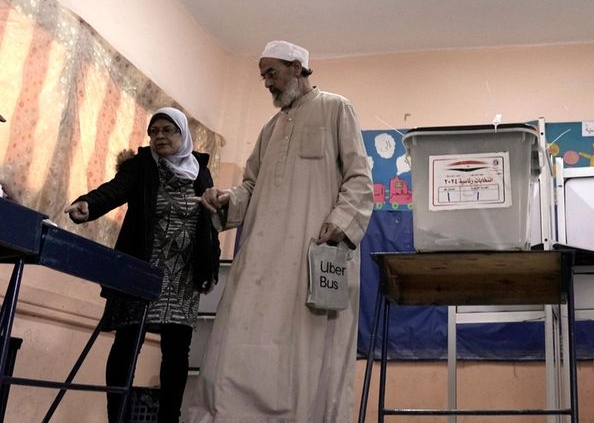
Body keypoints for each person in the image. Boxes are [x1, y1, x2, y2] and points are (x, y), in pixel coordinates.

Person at [187, 40, 373, 423]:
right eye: (263, 76)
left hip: (311, 254)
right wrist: (228, 200)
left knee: (304, 351)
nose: (267, 83)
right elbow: (251, 186)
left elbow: (359, 177)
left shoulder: (336, 108)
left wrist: (341, 220)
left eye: (272, 73)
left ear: (297, 67)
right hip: (261, 258)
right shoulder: (270, 128)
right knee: (239, 339)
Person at [65, 107, 220, 423]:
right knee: (127, 341)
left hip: (183, 275)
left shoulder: (200, 173)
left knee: (176, 351)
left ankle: (169, 419)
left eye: (167, 130)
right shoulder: (142, 165)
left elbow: (210, 221)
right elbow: (115, 189)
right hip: (142, 266)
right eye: (154, 131)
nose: (160, 136)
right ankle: (117, 416)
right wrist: (89, 203)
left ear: (182, 134)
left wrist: (211, 265)